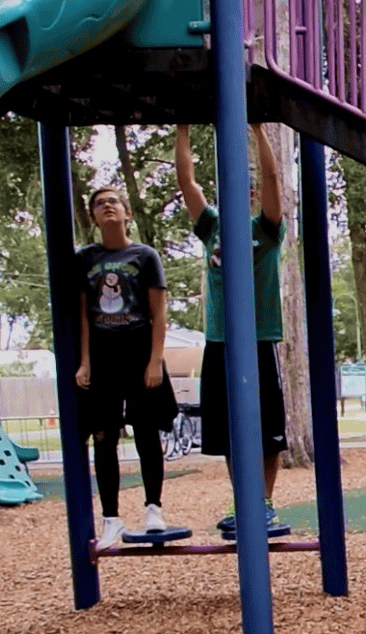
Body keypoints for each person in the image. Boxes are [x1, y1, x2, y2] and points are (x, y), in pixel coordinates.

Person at [175, 123, 288, 537]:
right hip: (219, 341)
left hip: (257, 340)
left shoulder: (267, 230)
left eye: (246, 189)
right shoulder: (212, 228)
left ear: (253, 196)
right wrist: (183, 127)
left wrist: (257, 129)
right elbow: (186, 182)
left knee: (267, 428)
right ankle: (244, 504)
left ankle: (265, 503)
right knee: (225, 428)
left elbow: (272, 178)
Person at [73, 185, 178, 549]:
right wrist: (84, 362)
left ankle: (153, 509)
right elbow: (84, 316)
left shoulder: (144, 256)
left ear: (127, 212)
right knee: (103, 436)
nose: (107, 207)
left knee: (147, 432)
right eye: (99, 204)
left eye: (113, 201)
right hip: (102, 355)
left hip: (138, 351)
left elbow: (158, 312)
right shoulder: (86, 259)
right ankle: (111, 519)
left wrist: (155, 361)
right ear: (94, 218)